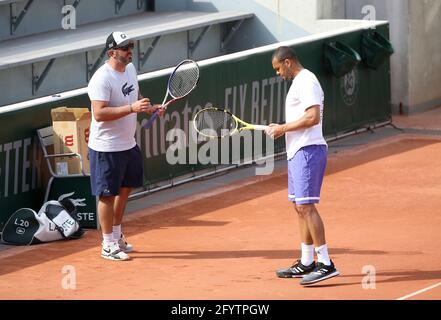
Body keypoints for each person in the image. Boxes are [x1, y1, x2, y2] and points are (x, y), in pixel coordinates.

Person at [265, 46, 339, 285]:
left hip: (308, 150)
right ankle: (307, 261)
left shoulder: (307, 81)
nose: (278, 74)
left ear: (287, 62)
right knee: (299, 207)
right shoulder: (299, 82)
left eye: (278, 69)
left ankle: (326, 263)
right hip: (297, 151)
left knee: (307, 207)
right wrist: (282, 128)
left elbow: (312, 117)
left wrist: (282, 128)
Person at [87, 31, 164, 261]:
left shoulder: (130, 70)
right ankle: (107, 244)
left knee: (125, 189)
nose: (130, 51)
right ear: (112, 53)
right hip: (106, 148)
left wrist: (150, 107)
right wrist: (132, 109)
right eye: (124, 48)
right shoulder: (101, 79)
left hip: (128, 144)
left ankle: (117, 236)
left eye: (130, 46)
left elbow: (135, 96)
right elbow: (99, 113)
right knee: (107, 196)